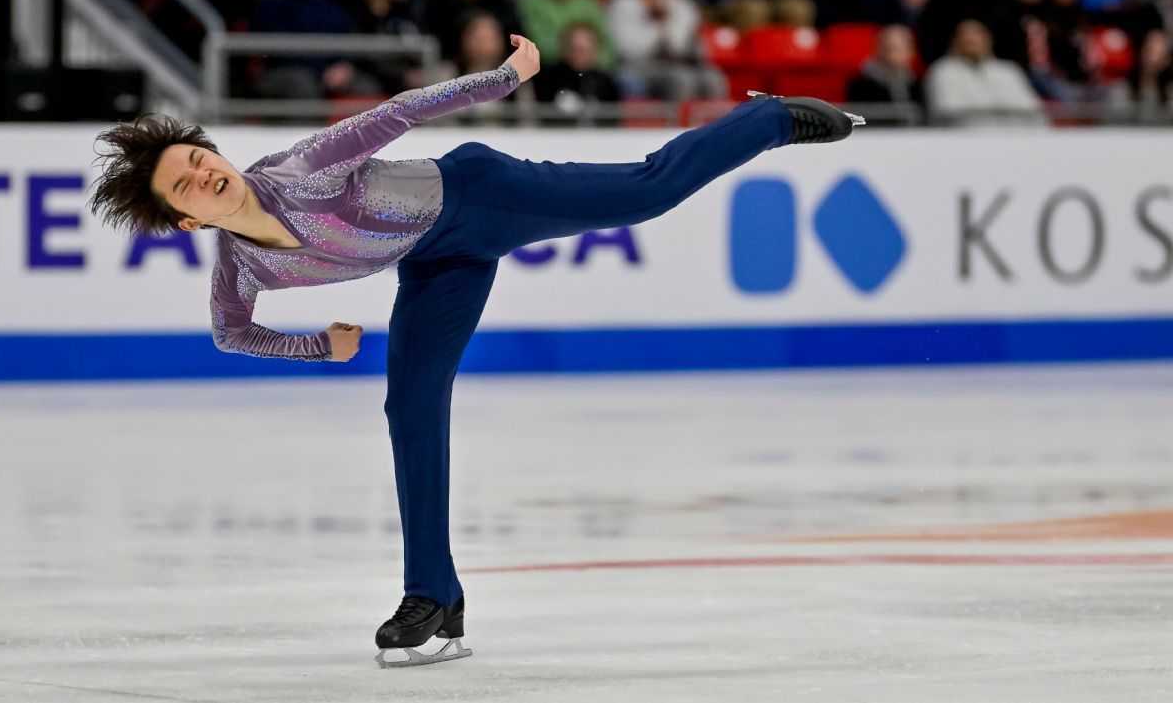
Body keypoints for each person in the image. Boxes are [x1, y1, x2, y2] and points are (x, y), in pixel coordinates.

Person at [89, 34, 861, 668]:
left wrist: (504, 77)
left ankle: (767, 119)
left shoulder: (299, 170)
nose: (205, 176)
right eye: (186, 186)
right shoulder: (240, 268)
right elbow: (231, 332)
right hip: (435, 262)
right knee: (411, 406)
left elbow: (396, 112)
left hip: (478, 194)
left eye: (199, 160)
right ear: (187, 221)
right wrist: (318, 345)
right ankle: (434, 595)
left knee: (647, 189)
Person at [925, 19, 1047, 125]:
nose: (973, 45)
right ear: (955, 43)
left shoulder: (1008, 70)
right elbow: (949, 111)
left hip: (1013, 135)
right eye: (968, 41)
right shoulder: (943, 70)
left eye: (977, 40)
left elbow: (1031, 109)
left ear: (988, 41)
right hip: (964, 137)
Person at [847, 24, 926, 125]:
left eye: (900, 48)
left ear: (911, 51)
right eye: (890, 48)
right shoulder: (861, 85)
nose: (894, 54)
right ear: (877, 49)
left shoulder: (915, 84)